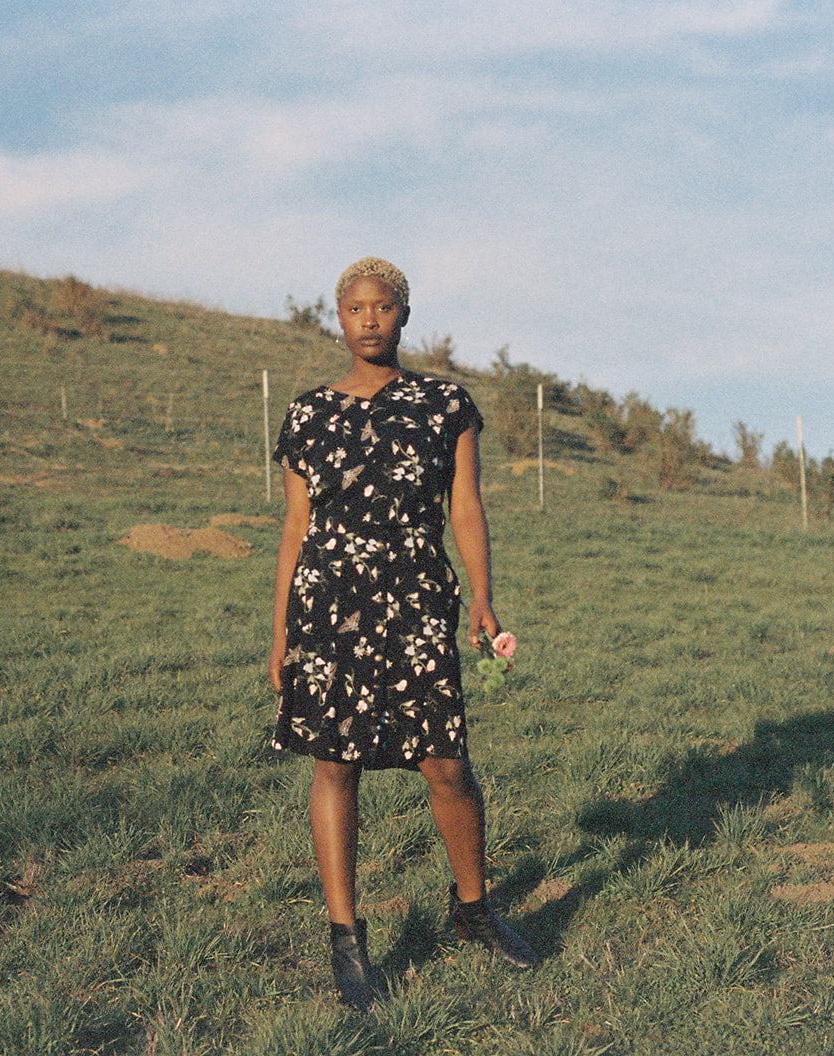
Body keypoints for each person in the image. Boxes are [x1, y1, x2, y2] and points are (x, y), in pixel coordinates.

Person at [267, 256, 539, 1011]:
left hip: (419, 600)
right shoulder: (307, 414)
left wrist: (483, 598)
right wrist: (281, 632)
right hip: (327, 607)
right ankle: (346, 939)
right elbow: (295, 529)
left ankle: (473, 909)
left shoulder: (445, 404)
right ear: (339, 318)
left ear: (404, 314)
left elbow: (467, 509)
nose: (370, 319)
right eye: (356, 308)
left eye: (383, 306)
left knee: (446, 762)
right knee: (335, 764)